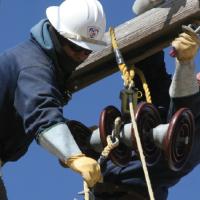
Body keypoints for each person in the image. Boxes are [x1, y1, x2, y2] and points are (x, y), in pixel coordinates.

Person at [92, 1, 200, 200]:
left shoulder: (192, 124)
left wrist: (185, 64)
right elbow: (147, 66)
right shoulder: (166, 90)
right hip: (106, 184)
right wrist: (153, 8)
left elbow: (183, 113)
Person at [0, 0, 107, 199]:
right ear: (57, 35)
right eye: (76, 47)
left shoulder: (43, 64)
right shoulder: (33, 66)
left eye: (88, 51)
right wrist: (73, 156)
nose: (82, 56)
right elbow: (40, 110)